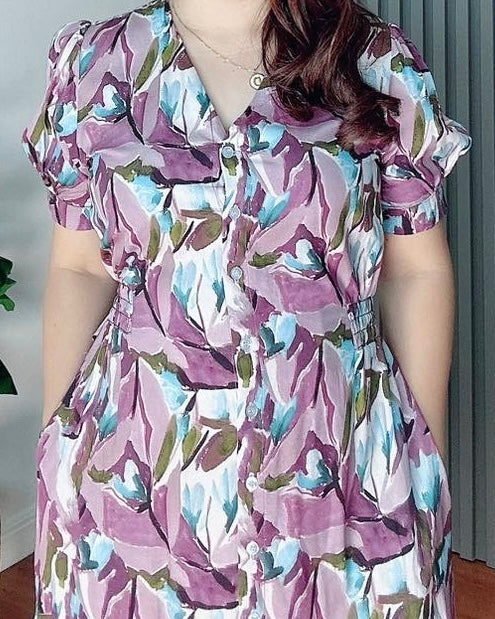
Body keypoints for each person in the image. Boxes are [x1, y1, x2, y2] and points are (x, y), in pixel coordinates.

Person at [21, 0, 472, 616]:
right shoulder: (95, 65)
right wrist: (56, 443)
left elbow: (415, 270)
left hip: (349, 477)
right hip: (135, 491)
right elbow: (78, 267)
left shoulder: (374, 62)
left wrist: (425, 462)